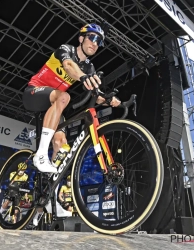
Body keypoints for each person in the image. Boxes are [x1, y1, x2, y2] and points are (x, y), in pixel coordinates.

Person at [23, 23, 121, 173]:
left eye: (99, 42)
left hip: (53, 104)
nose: (95, 44)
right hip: (34, 93)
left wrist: (108, 100)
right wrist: (82, 76)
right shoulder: (66, 49)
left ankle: (50, 183)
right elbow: (69, 65)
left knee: (62, 144)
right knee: (64, 97)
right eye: (92, 38)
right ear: (81, 38)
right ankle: (41, 154)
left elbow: (96, 93)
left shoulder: (89, 67)